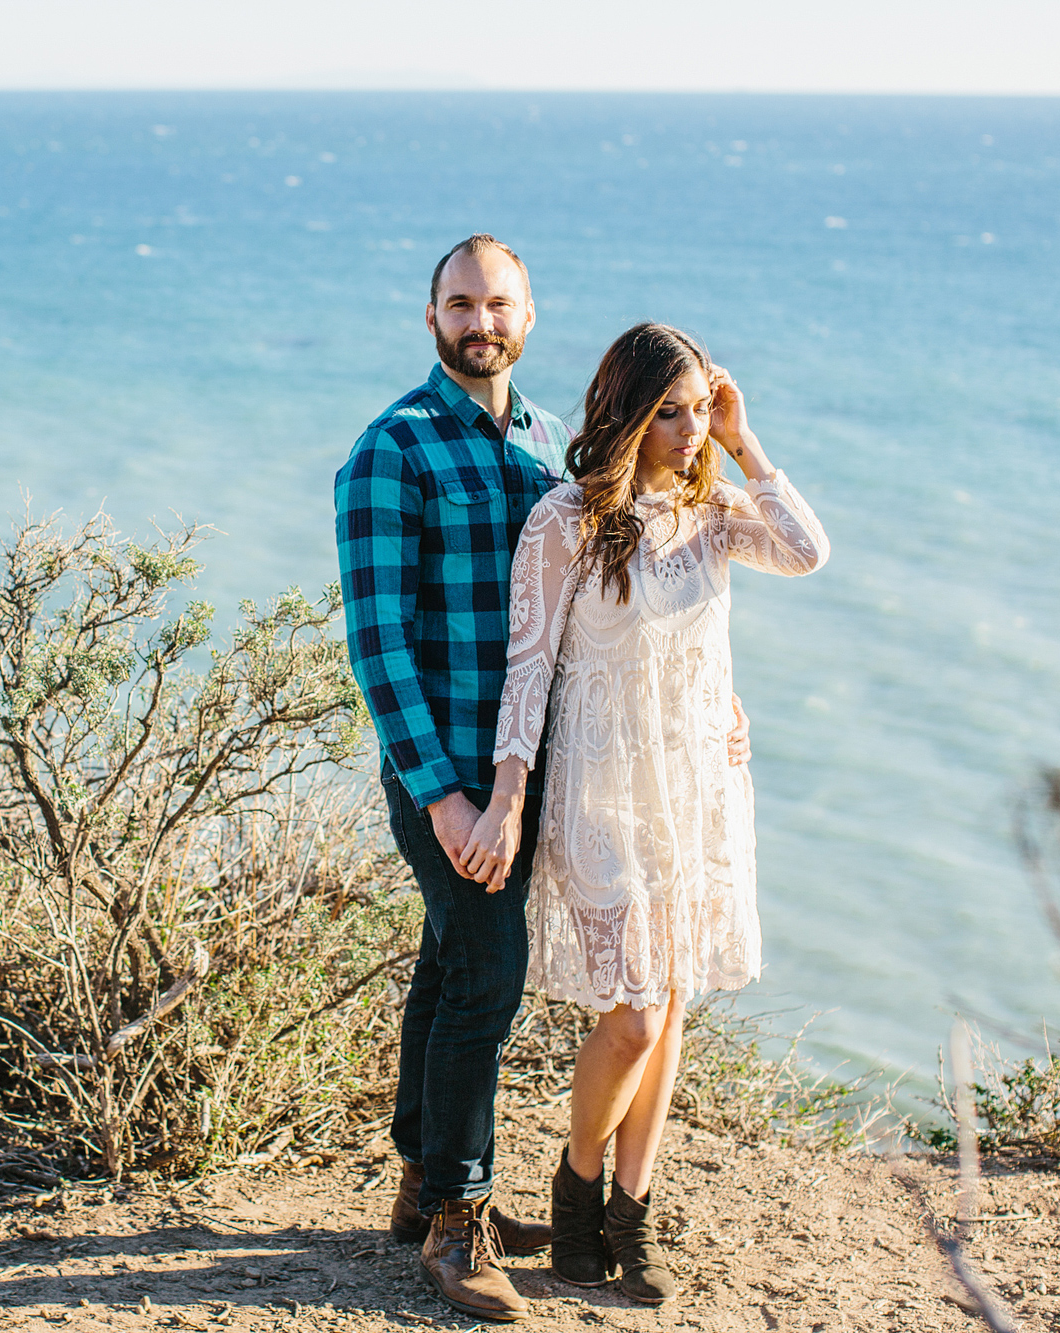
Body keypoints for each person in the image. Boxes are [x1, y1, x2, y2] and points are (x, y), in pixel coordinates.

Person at [337, 237, 753, 1322]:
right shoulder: (392, 449)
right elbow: (379, 646)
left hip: (541, 764)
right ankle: (455, 1222)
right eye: (460, 302)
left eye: (499, 303)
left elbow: (592, 613)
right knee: (485, 968)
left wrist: (713, 699)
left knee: (448, 960)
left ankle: (421, 1179)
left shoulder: (538, 447)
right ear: (428, 315)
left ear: (528, 316)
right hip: (452, 771)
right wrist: (446, 795)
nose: (481, 320)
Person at [462, 323, 830, 1305]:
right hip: (599, 792)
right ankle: (574, 1184)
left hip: (695, 790)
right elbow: (526, 674)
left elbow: (804, 550)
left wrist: (745, 443)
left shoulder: (711, 509)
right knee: (627, 1015)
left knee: (668, 1002)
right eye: (666, 410)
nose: (684, 428)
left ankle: (627, 1210)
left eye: (697, 408)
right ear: (622, 411)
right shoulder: (561, 522)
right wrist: (504, 801)